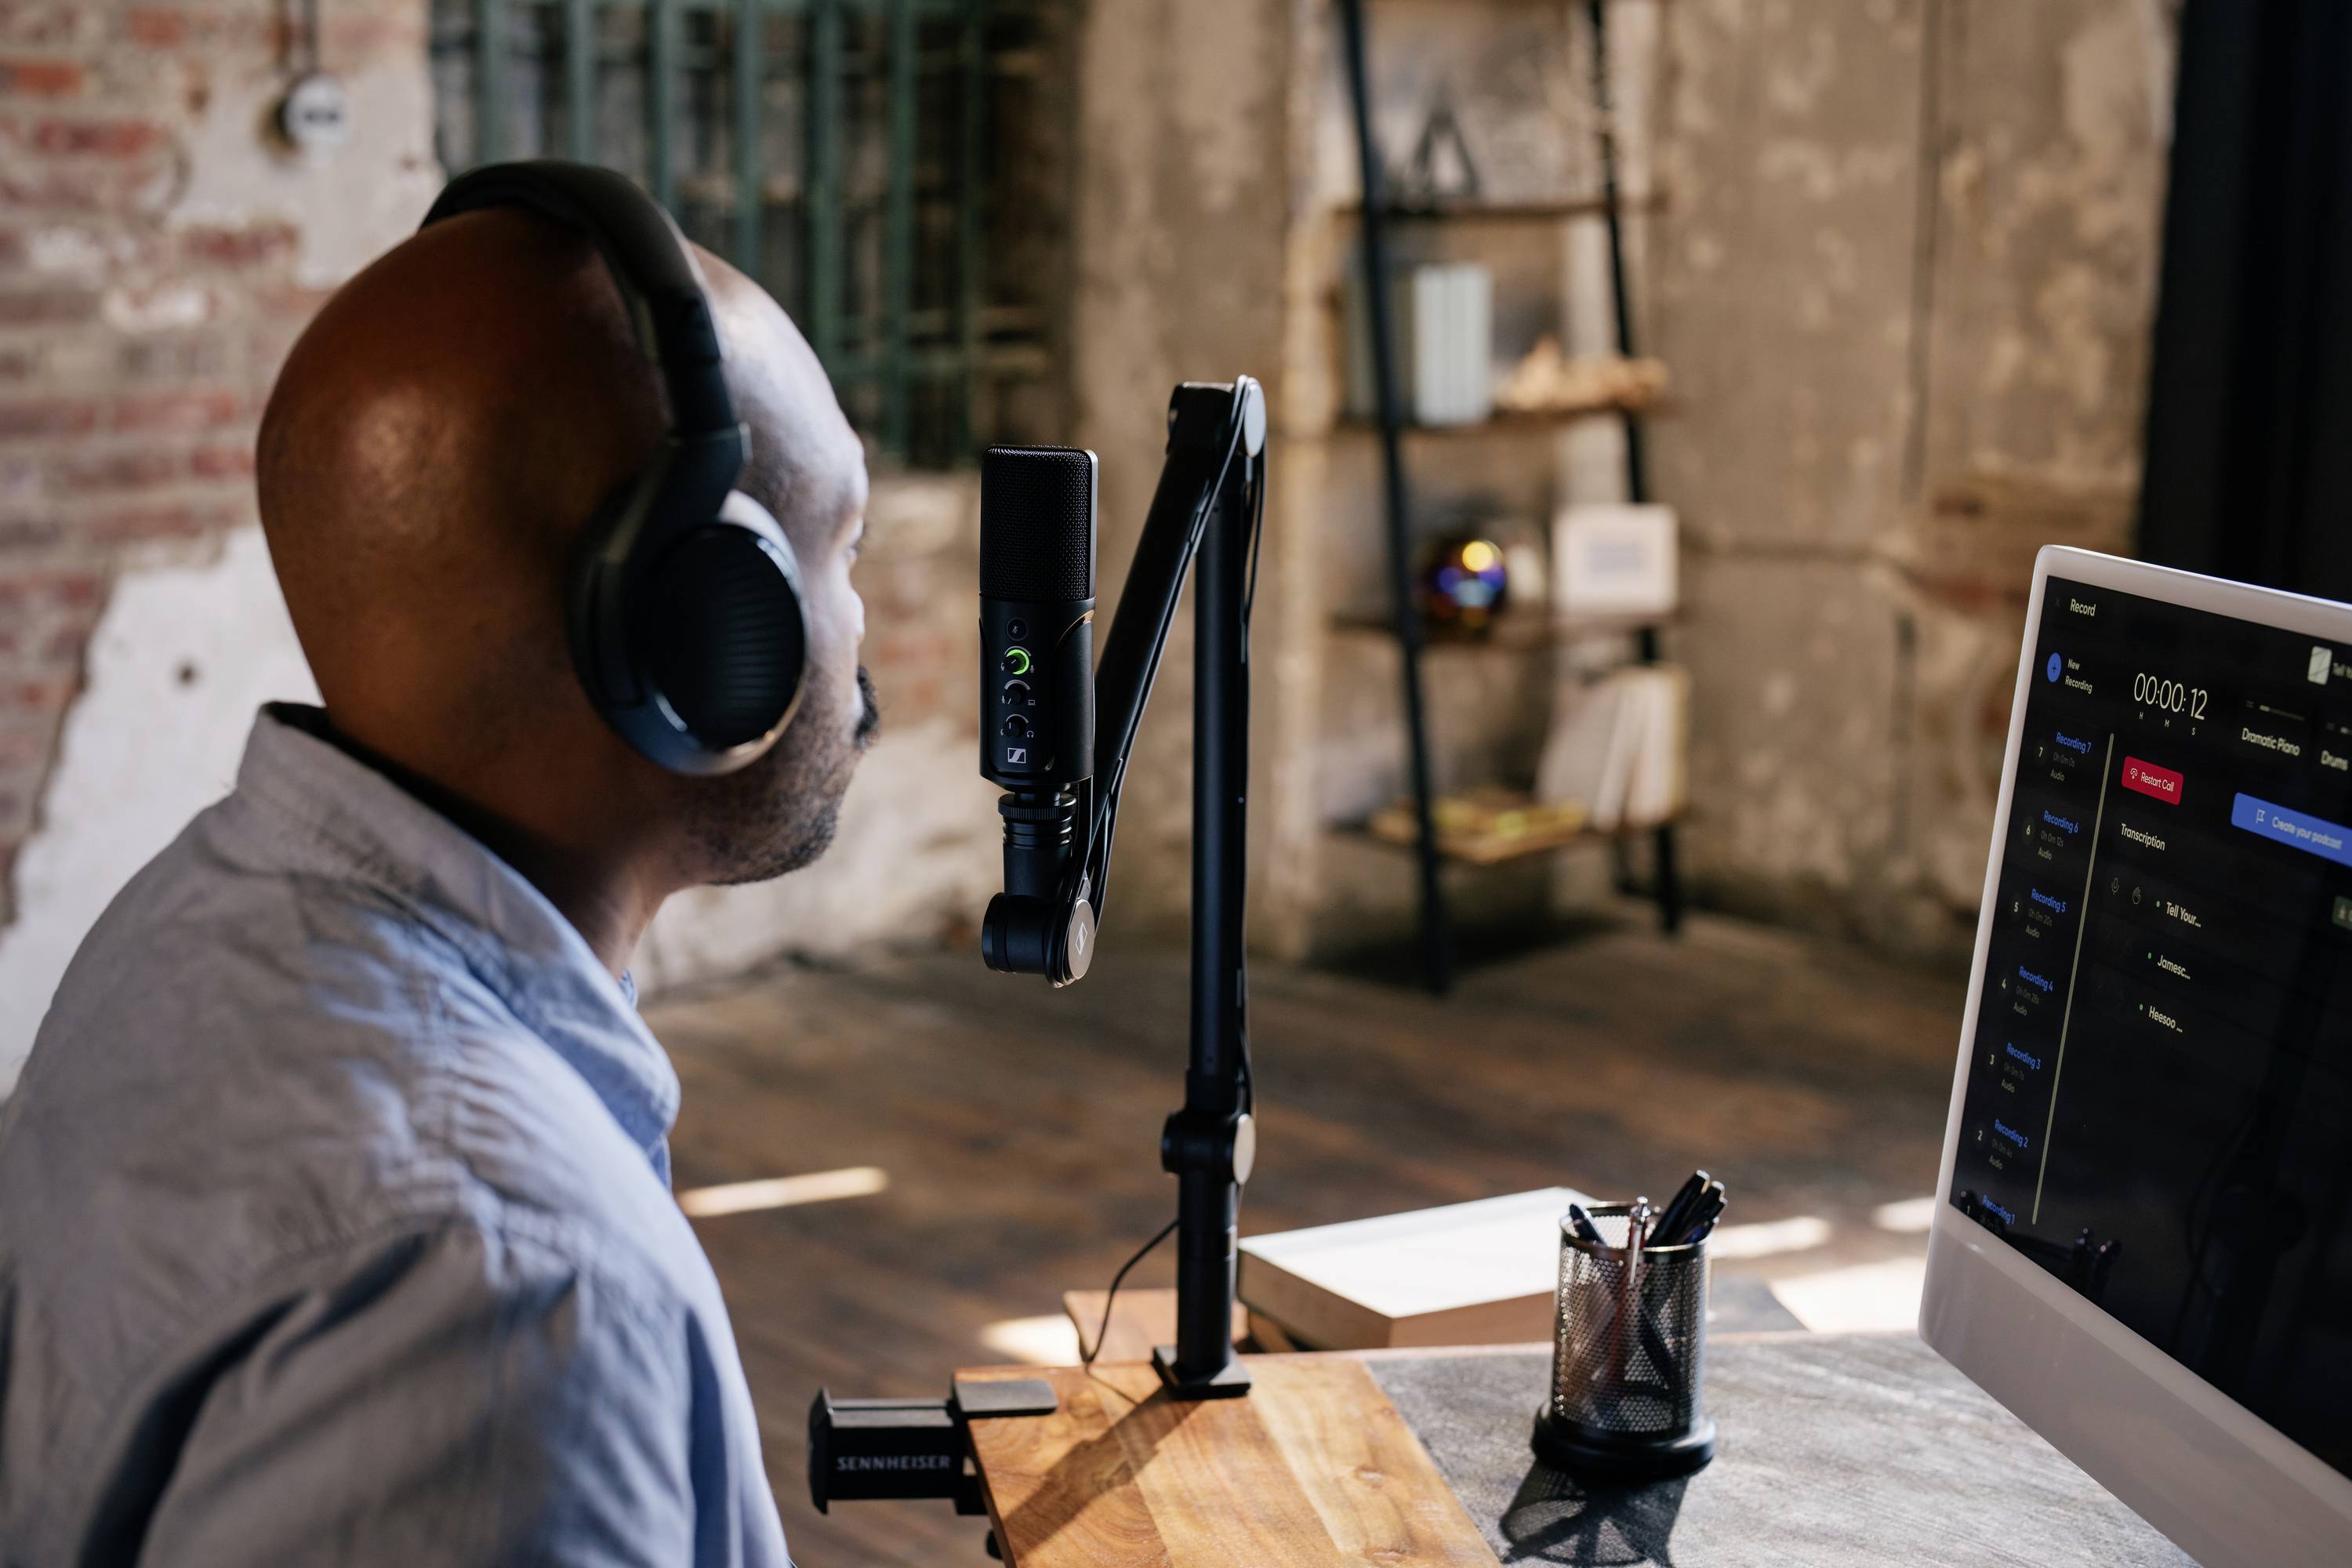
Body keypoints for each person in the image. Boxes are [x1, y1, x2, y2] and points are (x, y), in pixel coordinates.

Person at [0, 191, 873, 1564]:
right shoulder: (504, 1293)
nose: (861, 620)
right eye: (844, 549)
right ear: (709, 642)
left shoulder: (195, 919)